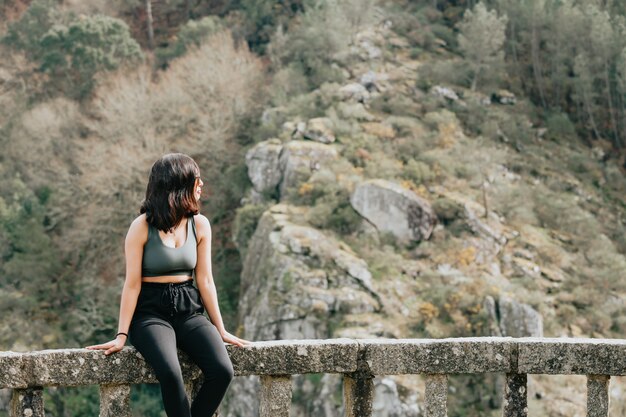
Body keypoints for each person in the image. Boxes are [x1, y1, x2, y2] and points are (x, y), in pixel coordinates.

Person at [87, 153, 250, 417]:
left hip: (189, 309)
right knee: (171, 374)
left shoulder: (200, 225)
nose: (202, 184)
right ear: (179, 185)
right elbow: (131, 284)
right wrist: (121, 335)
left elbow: (205, 280)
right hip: (150, 313)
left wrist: (220, 328)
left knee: (222, 371)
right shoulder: (141, 227)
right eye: (196, 179)